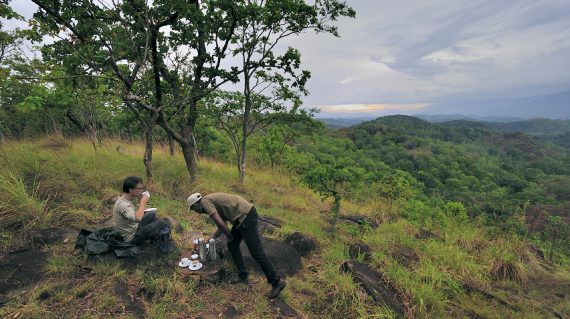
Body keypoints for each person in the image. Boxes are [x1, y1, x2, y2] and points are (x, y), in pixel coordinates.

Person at [187, 192, 286, 299]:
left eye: (193, 209)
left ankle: (276, 282)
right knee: (233, 245)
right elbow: (221, 224)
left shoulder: (205, 202)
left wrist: (229, 236)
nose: (195, 212)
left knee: (256, 252)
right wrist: (212, 238)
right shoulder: (210, 201)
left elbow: (221, 224)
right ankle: (243, 275)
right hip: (242, 217)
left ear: (196, 205)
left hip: (245, 216)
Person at [113, 176, 170, 251]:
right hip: (130, 238)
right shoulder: (123, 205)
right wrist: (143, 201)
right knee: (162, 222)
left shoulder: (123, 199)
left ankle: (156, 233)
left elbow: (131, 214)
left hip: (131, 228)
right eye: (139, 188)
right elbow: (138, 219)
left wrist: (142, 209)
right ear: (131, 189)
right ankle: (164, 248)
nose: (142, 190)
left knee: (151, 213)